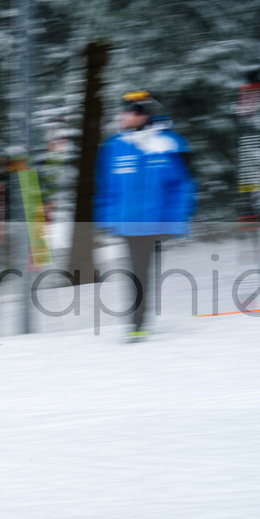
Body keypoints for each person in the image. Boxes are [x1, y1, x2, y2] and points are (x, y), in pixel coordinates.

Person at [94, 90, 196, 339]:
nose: (123, 117)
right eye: (123, 112)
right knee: (137, 273)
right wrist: (106, 219)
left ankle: (138, 325)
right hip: (127, 223)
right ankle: (138, 324)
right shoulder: (114, 147)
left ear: (142, 115)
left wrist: (176, 220)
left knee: (140, 272)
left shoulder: (169, 144)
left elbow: (183, 185)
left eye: (128, 112)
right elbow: (105, 186)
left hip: (154, 222)